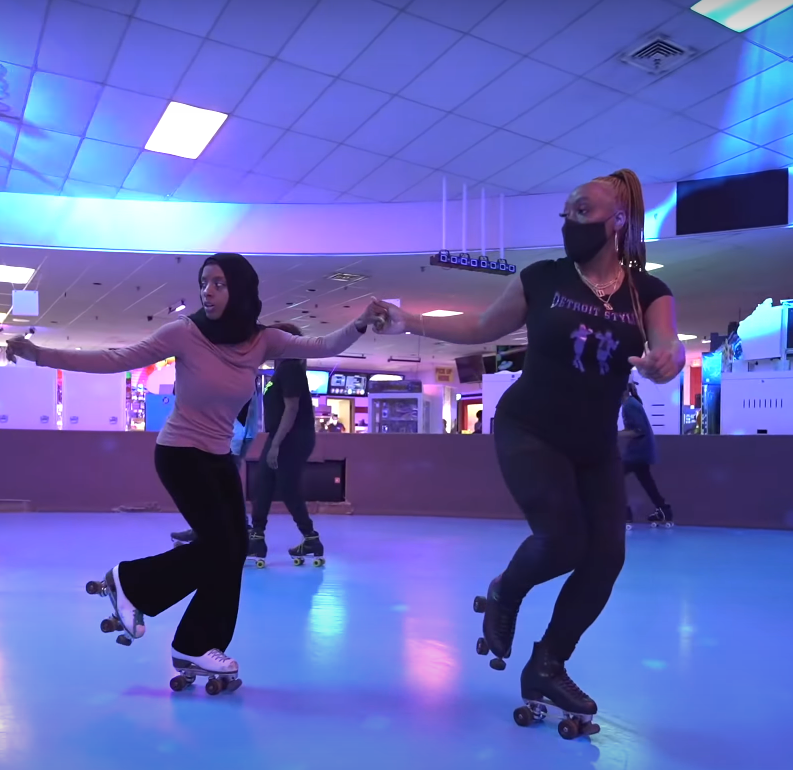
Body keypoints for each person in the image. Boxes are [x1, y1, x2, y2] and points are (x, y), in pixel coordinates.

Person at [372, 169, 684, 729]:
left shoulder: (649, 293)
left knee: (606, 557)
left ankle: (548, 664)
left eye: (582, 210)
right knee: (563, 541)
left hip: (594, 446)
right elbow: (480, 327)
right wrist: (408, 319)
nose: (569, 220)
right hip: (529, 428)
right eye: (564, 211)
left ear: (618, 221)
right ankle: (504, 593)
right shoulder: (542, 278)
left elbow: (667, 349)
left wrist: (670, 361)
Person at [6, 253, 384, 685]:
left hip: (218, 455)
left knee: (234, 547)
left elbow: (322, 347)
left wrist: (360, 323)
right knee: (221, 543)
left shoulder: (262, 341)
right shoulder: (183, 334)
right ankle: (130, 582)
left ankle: (196, 645)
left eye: (219, 283)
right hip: (180, 452)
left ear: (240, 290)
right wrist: (40, 356)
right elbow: (115, 359)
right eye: (204, 282)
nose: (207, 291)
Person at [248, 322, 321, 563]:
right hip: (284, 436)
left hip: (291, 437)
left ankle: (310, 538)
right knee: (264, 483)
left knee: (286, 487)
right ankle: (256, 537)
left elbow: (291, 409)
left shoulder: (290, 367)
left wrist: (277, 444)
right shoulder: (283, 367)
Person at [169, 380, 261, 547]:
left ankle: (215, 534)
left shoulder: (231, 375)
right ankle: (220, 531)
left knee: (215, 487)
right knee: (222, 487)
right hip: (234, 435)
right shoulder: (241, 373)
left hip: (228, 436)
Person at [620, 382, 671, 528]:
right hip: (642, 451)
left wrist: (614, 434)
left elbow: (638, 430)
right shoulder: (631, 403)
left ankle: (625, 514)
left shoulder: (629, 405)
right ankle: (664, 511)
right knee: (647, 481)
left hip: (637, 452)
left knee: (615, 475)